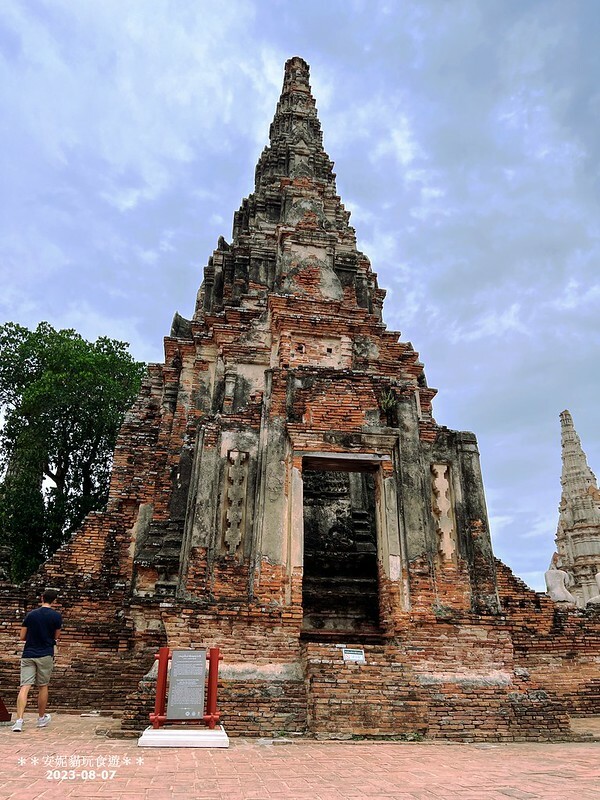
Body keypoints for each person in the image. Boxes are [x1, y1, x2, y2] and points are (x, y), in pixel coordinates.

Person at [12, 588, 62, 732]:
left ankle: (19, 721)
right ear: (54, 600)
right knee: (43, 685)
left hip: (29, 653)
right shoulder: (56, 616)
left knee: (25, 686)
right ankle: (41, 718)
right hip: (45, 653)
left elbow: (22, 636)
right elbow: (56, 636)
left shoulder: (31, 615)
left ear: (41, 598)